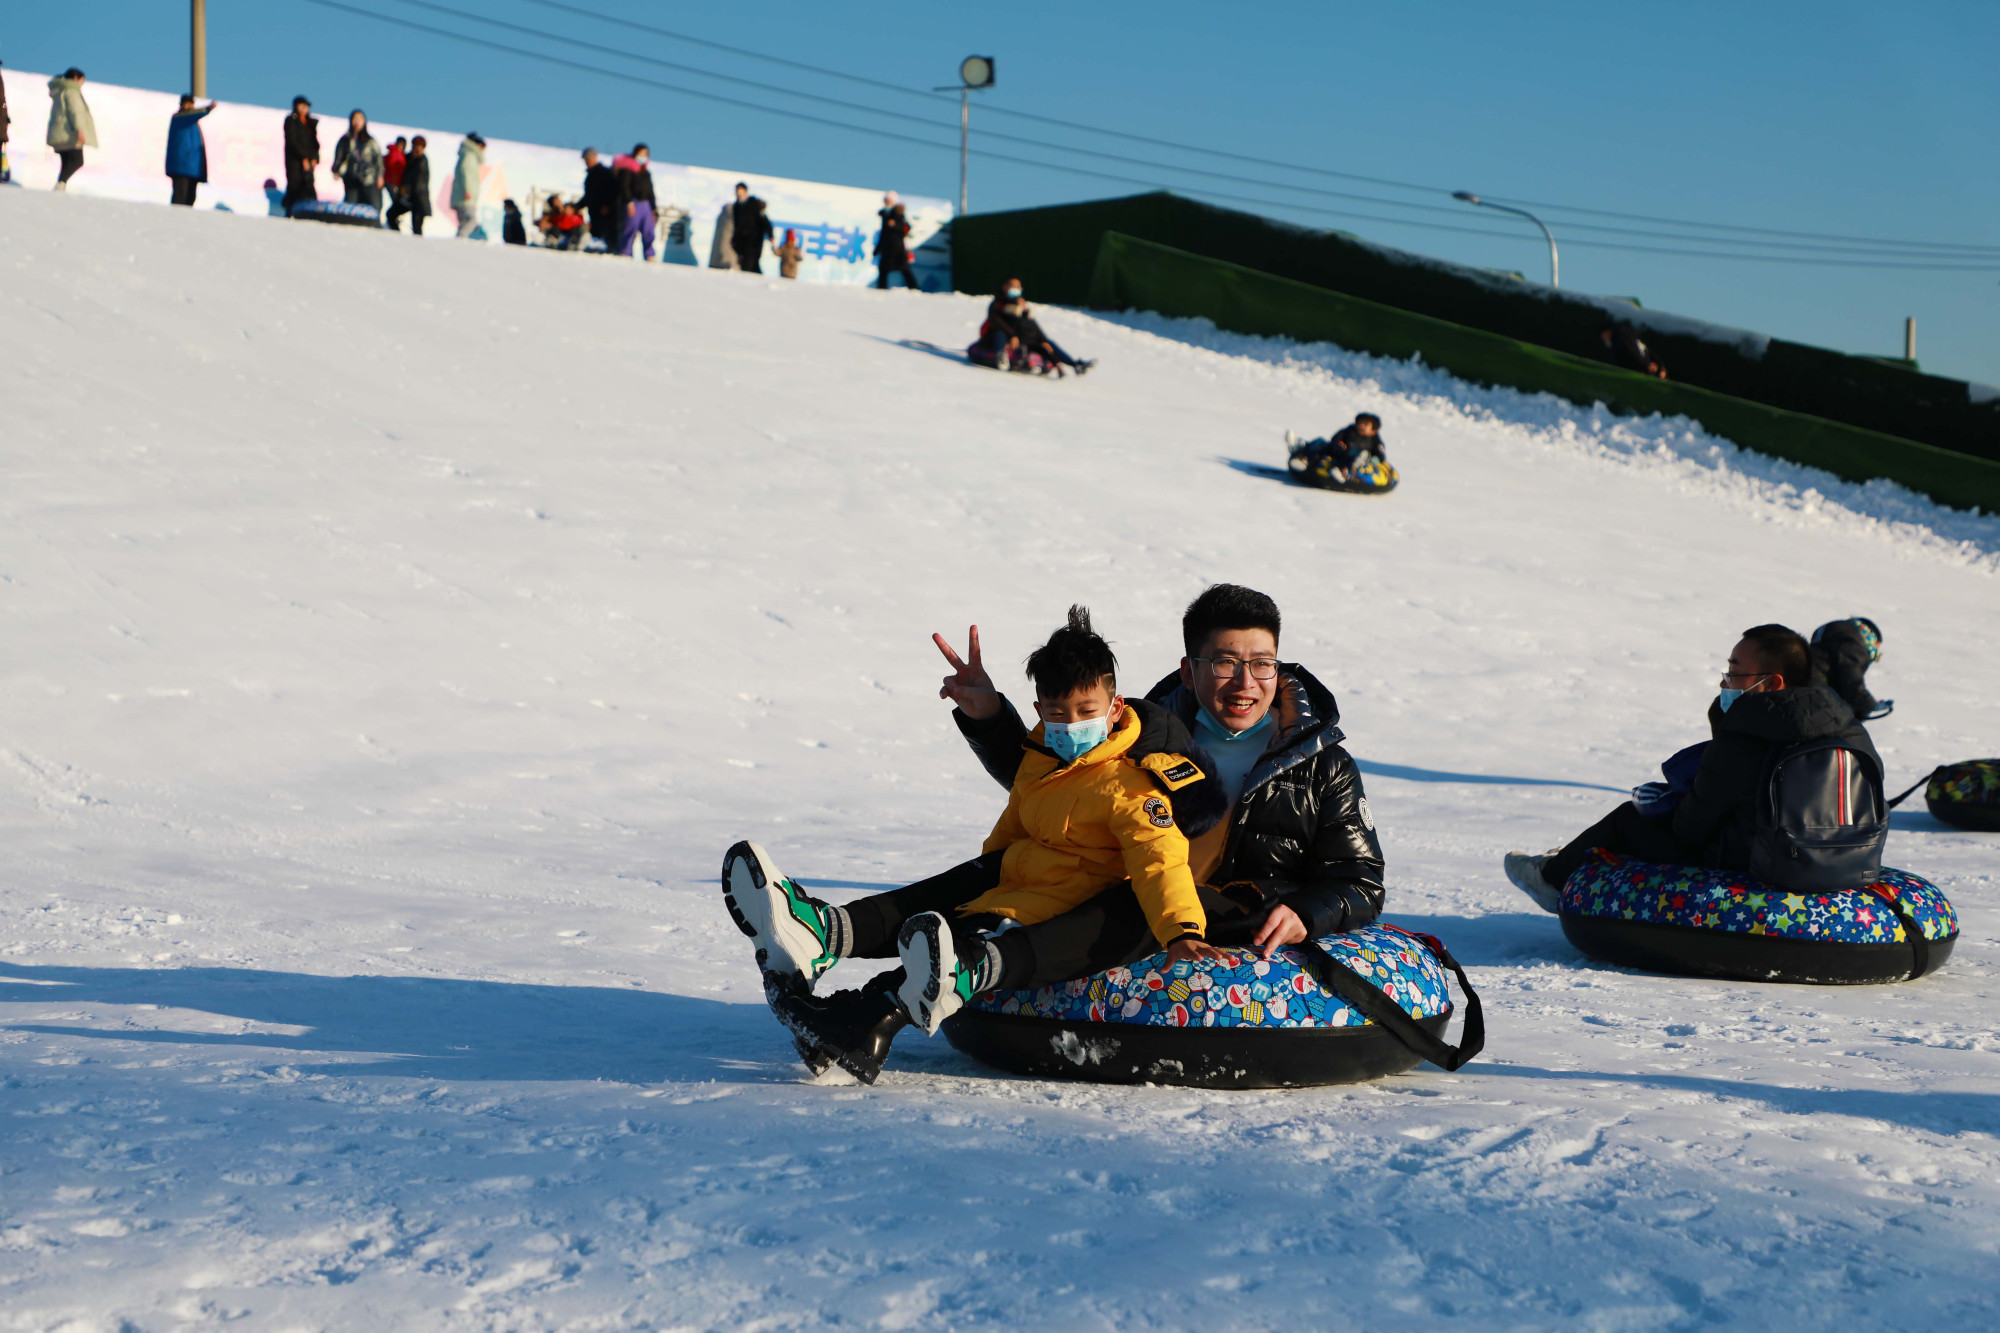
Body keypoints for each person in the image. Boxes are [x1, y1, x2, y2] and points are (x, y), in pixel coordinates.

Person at [774, 586, 1385, 1082]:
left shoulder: (1318, 762)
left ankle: (901, 993)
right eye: (1225, 663)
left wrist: (1308, 912)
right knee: (1013, 870)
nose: (1244, 682)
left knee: (1135, 896)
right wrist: (991, 717)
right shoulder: (1141, 728)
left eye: (1261, 664)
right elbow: (1054, 787)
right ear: (1190, 668)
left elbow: (1360, 880)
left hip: (1219, 910)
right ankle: (856, 996)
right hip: (1116, 880)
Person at [727, 606, 1229, 1080]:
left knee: (944, 948)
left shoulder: (1133, 784)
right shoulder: (1040, 755)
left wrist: (1182, 930)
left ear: (1114, 706)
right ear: (1039, 709)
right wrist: (977, 880)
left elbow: (1159, 861)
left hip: (1063, 907)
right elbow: (1013, 827)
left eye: (1085, 710)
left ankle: (852, 1016)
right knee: (935, 907)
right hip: (1018, 880)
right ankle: (825, 945)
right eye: (1058, 712)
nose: (1072, 724)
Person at [1505, 623, 1880, 911]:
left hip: (1761, 862)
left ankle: (1551, 879)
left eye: (1735, 672)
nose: (1724, 681)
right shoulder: (1846, 726)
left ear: (1772, 683)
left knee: (1627, 819)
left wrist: (1665, 805)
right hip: (1849, 861)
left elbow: (1689, 829)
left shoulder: (1745, 737)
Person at [980, 279, 1095, 377]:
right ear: (1005, 287)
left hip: (1022, 340)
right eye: (1014, 287)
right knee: (1001, 334)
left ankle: (1075, 364)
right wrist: (1013, 336)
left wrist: (1043, 341)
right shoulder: (999, 304)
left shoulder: (1021, 308)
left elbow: (1033, 326)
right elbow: (999, 323)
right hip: (1004, 338)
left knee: (1048, 344)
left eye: (1019, 287)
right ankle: (1000, 356)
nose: (1017, 290)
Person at [1287, 413, 1387, 485]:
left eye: (1365, 424)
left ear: (1373, 431)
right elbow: (1336, 437)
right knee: (1320, 442)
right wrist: (1339, 443)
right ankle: (1301, 454)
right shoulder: (1350, 430)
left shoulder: (1374, 440)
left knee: (1358, 455)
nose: (1361, 426)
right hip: (1338, 450)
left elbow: (1380, 454)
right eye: (1360, 423)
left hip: (1352, 457)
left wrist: (1374, 459)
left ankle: (1342, 471)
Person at [45, 69, 97, 192]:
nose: (82, 83)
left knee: (67, 162)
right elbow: (75, 111)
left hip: (59, 133)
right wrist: (79, 130)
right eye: (82, 80)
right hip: (70, 133)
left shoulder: (60, 91)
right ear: (75, 78)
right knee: (78, 161)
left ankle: (61, 187)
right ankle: (60, 184)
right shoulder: (71, 91)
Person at [165, 94, 215, 207]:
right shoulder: (179, 117)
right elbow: (190, 115)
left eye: (191, 103)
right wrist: (207, 109)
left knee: (190, 198)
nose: (189, 106)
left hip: (193, 168)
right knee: (180, 198)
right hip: (181, 167)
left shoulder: (193, 123)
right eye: (187, 103)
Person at [331, 109, 383, 212]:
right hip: (351, 177)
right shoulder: (345, 140)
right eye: (355, 119)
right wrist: (336, 170)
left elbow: (378, 160)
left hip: (369, 178)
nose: (357, 122)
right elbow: (339, 156)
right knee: (351, 205)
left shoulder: (370, 141)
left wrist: (380, 176)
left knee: (372, 205)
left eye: (360, 119)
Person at [614, 144, 658, 259]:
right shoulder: (627, 170)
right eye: (641, 153)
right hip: (633, 203)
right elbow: (624, 187)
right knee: (630, 228)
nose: (643, 156)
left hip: (646, 204)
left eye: (645, 154)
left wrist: (653, 207)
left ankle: (649, 254)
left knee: (649, 231)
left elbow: (650, 191)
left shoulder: (646, 173)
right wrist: (628, 202)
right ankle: (625, 251)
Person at [386, 135, 430, 235]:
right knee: (391, 215)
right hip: (407, 197)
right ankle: (397, 236)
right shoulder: (408, 158)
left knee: (417, 227)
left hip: (418, 199)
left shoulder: (422, 161)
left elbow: (419, 182)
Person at [874, 193, 919, 290]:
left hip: (897, 248)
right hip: (886, 248)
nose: (887, 202)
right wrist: (878, 249)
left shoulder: (898, 213)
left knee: (905, 269)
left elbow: (906, 229)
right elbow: (883, 234)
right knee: (883, 269)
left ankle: (914, 288)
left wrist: (895, 225)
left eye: (889, 200)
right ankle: (881, 289)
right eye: (886, 200)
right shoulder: (885, 214)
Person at [281, 96, 318, 213]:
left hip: (308, 163)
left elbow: (314, 143)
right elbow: (292, 141)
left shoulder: (310, 123)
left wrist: (314, 158)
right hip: (295, 162)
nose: (304, 108)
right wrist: (304, 157)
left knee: (308, 187)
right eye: (301, 105)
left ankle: (310, 212)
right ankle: (290, 211)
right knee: (295, 187)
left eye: (306, 106)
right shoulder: (292, 120)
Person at [729, 182, 774, 274]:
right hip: (741, 241)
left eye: (741, 191)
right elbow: (737, 225)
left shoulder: (753, 204)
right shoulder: (736, 207)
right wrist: (734, 240)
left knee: (749, 265)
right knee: (749, 265)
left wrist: (770, 235)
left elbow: (764, 221)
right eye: (737, 191)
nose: (739, 194)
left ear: (745, 192)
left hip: (754, 241)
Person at [1602, 322, 1668, 380]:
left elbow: (1634, 352)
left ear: (1608, 332)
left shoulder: (1619, 338)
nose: (1603, 338)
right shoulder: (1628, 334)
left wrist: (1657, 367)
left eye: (1603, 334)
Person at [451, 132, 485, 238]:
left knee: (464, 223)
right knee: (471, 220)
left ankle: (458, 242)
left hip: (461, 196)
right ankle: (460, 239)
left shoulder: (464, 154)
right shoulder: (470, 156)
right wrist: (468, 191)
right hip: (466, 197)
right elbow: (467, 175)